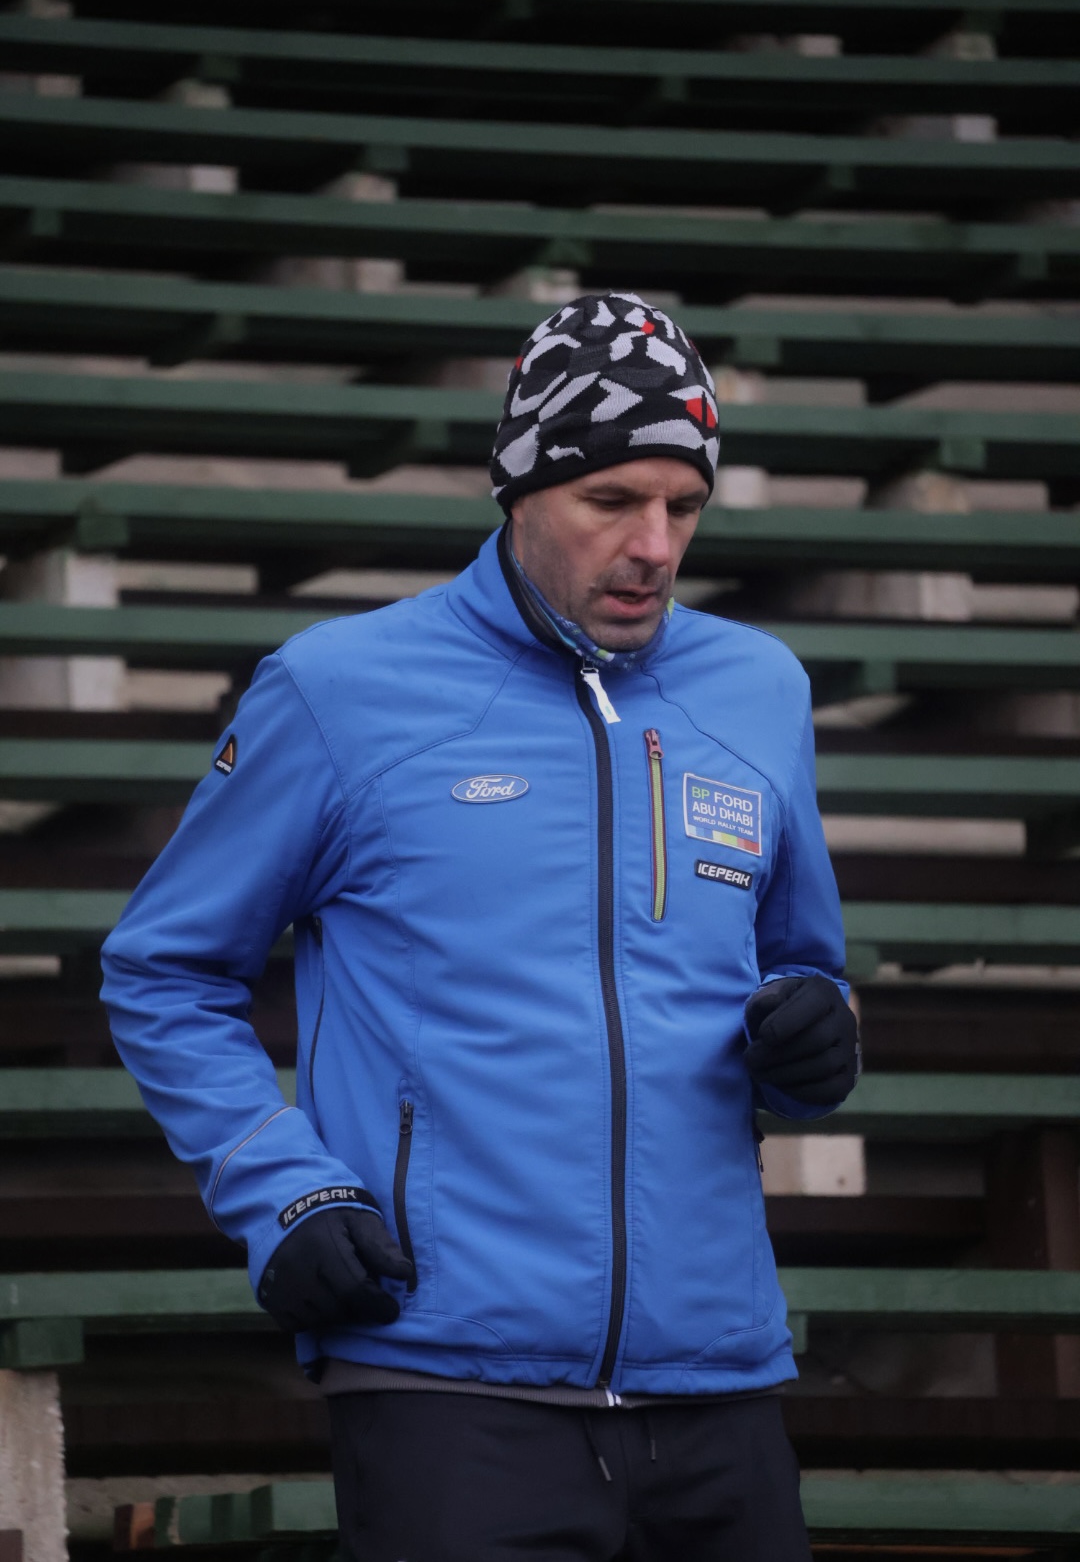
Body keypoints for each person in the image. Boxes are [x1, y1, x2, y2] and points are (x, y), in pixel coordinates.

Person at [101, 291, 859, 1561]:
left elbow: (803, 967)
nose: (655, 545)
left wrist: (821, 1032)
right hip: (447, 1382)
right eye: (611, 500)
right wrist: (286, 1191)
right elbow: (164, 972)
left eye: (684, 505)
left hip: (719, 1376)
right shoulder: (340, 690)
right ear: (518, 488)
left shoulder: (760, 688)